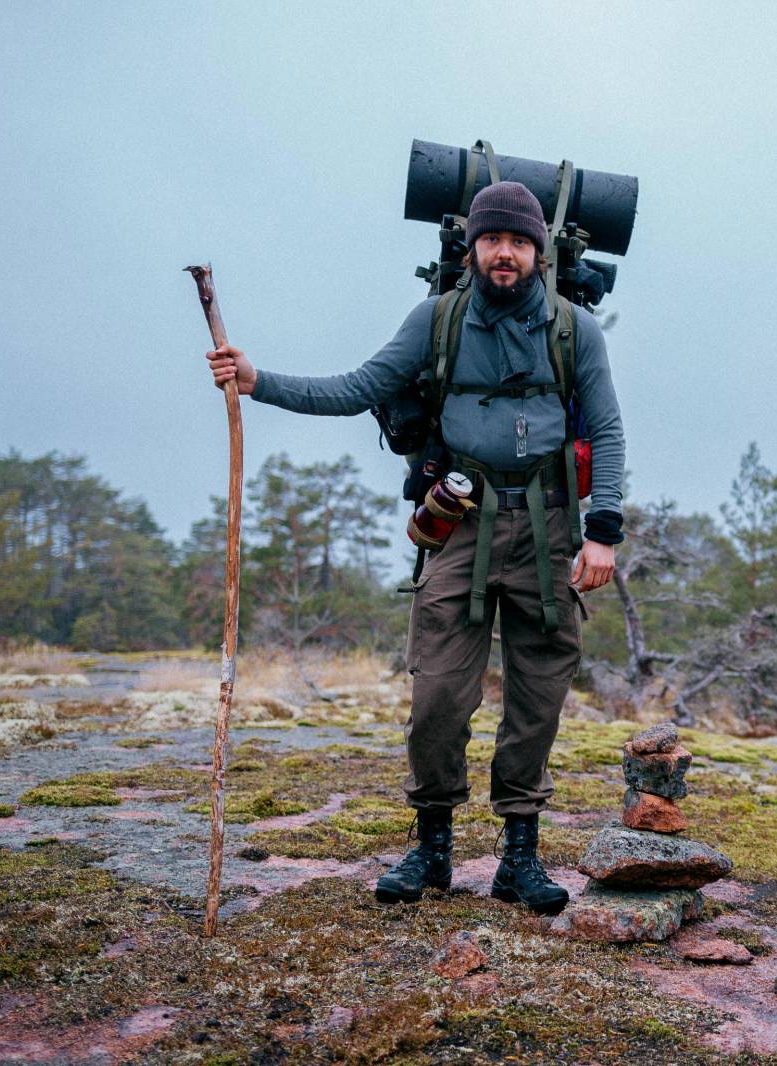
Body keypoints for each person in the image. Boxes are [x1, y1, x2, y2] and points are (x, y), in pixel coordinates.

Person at [205, 181, 625, 915]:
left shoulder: (573, 331)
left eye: (520, 242)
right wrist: (256, 381)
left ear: (539, 252)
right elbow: (358, 387)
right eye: (494, 240)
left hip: (550, 523)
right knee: (437, 694)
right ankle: (432, 851)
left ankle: (517, 859)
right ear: (472, 249)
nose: (506, 253)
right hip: (459, 520)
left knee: (539, 696)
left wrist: (604, 530)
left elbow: (610, 430)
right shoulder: (437, 320)